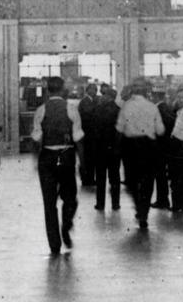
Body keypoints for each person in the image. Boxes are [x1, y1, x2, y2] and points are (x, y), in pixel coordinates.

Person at [30, 76, 85, 254]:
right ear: (62, 90)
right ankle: (66, 226)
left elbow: (36, 138)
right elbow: (78, 138)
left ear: (47, 91)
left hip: (46, 158)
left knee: (49, 202)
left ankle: (54, 244)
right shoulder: (72, 109)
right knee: (70, 198)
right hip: (66, 156)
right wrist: (82, 162)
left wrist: (36, 159)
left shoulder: (41, 110)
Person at [116, 78, 166, 229]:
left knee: (131, 180)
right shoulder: (152, 107)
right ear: (147, 91)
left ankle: (139, 207)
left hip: (130, 147)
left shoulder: (126, 107)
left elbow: (119, 129)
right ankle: (144, 212)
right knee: (148, 181)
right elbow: (160, 130)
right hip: (149, 147)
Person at [92, 85, 123, 212]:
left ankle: (100, 204)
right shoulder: (119, 110)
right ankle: (115, 204)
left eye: (104, 95)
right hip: (115, 149)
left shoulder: (98, 109)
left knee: (100, 177)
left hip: (100, 149)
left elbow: (95, 129)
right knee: (115, 177)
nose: (102, 97)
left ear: (109, 97)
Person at [77, 83, 100, 187]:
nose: (94, 91)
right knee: (87, 158)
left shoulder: (94, 100)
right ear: (88, 91)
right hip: (87, 133)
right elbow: (87, 114)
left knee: (92, 158)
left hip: (92, 134)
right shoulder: (84, 102)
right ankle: (87, 179)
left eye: (95, 89)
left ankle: (90, 178)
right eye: (92, 89)